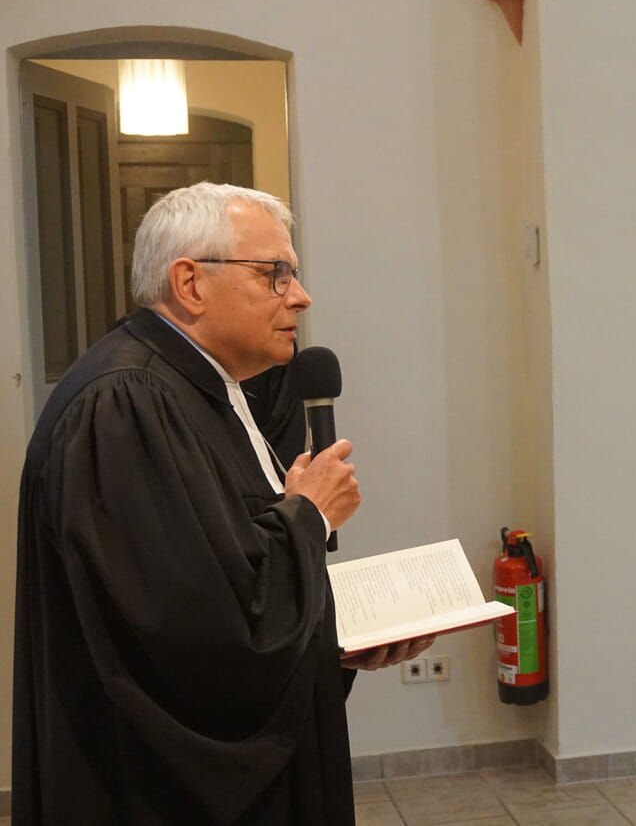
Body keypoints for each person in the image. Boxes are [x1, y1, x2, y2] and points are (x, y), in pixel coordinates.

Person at [13, 182, 431, 825]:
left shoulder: (198, 388)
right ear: (191, 284)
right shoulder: (126, 404)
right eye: (275, 273)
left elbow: (228, 580)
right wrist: (310, 515)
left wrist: (334, 640)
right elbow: (191, 637)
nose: (300, 295)